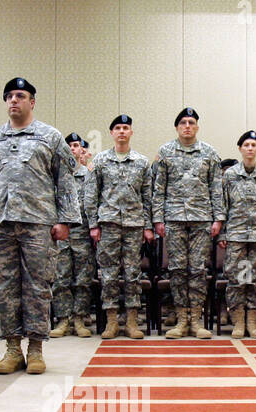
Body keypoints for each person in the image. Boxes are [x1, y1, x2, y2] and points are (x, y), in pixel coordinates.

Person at [0, 78, 80, 375]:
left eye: (21, 95)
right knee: (3, 287)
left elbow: (65, 182)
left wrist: (65, 220)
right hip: (0, 223)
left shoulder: (50, 137)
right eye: (10, 96)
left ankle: (37, 349)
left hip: (38, 223)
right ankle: (12, 348)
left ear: (32, 101)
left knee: (38, 286)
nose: (14, 101)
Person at [154, 108, 223, 340]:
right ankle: (181, 319)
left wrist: (218, 218)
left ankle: (197, 320)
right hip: (173, 219)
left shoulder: (209, 153)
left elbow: (216, 187)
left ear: (197, 127)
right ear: (177, 127)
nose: (187, 126)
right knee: (177, 270)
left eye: (191, 122)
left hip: (201, 219)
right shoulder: (165, 152)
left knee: (197, 270)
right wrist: (158, 219)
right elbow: (158, 189)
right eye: (183, 122)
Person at [85, 115, 154, 340]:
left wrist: (148, 226)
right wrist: (93, 224)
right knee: (108, 273)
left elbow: (147, 196)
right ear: (112, 133)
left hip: (134, 225)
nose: (122, 131)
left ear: (131, 132)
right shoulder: (101, 160)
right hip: (108, 224)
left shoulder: (142, 162)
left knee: (133, 273)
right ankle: (112, 321)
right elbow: (91, 194)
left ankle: (132, 321)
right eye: (118, 128)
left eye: (126, 128)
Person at [220, 131, 256, 340]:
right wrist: (222, 232)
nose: (250, 148)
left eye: (253, 145)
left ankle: (253, 322)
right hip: (237, 235)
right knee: (238, 278)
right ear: (240, 149)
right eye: (246, 145)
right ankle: (239, 322)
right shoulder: (230, 175)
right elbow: (223, 205)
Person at [50, 133, 96, 338]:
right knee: (61, 279)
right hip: (60, 236)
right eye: (68, 145)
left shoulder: (89, 175)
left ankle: (79, 318)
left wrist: (95, 228)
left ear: (81, 150)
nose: (72, 149)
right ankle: (63, 320)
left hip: (82, 234)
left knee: (83, 279)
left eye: (76, 145)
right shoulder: (55, 176)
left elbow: (94, 204)